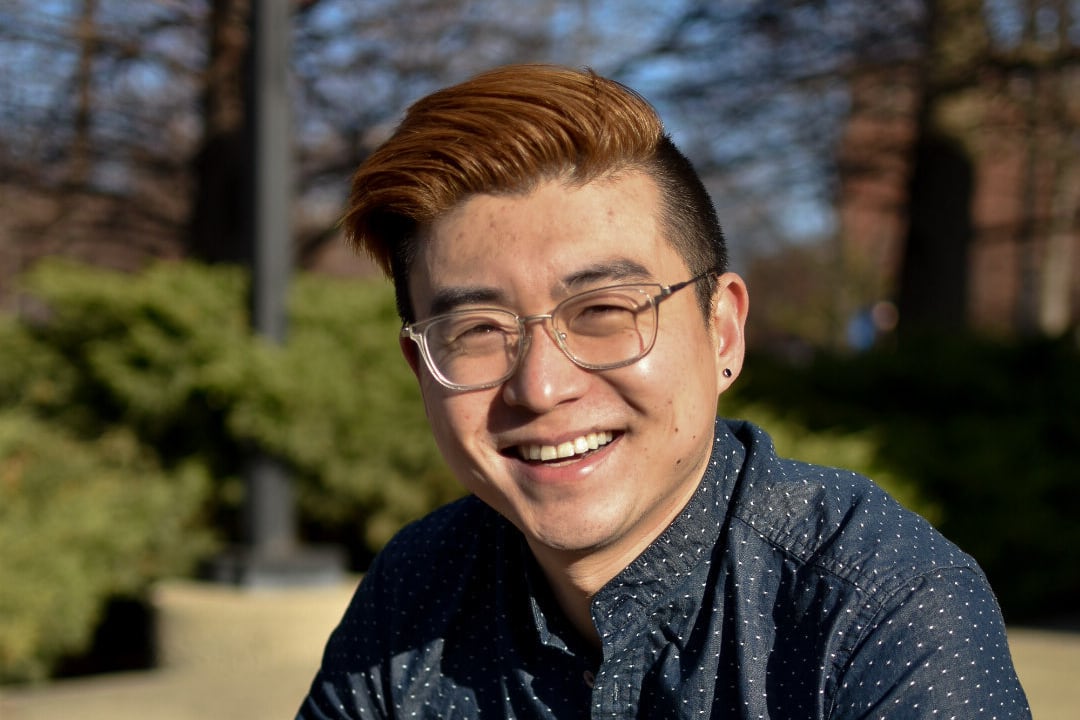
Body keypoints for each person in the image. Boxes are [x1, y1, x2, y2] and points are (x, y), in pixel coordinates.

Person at [297, 64, 1030, 719]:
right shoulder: (415, 595)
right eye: (477, 331)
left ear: (723, 333)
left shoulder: (881, 605)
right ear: (420, 368)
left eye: (605, 313)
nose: (542, 386)